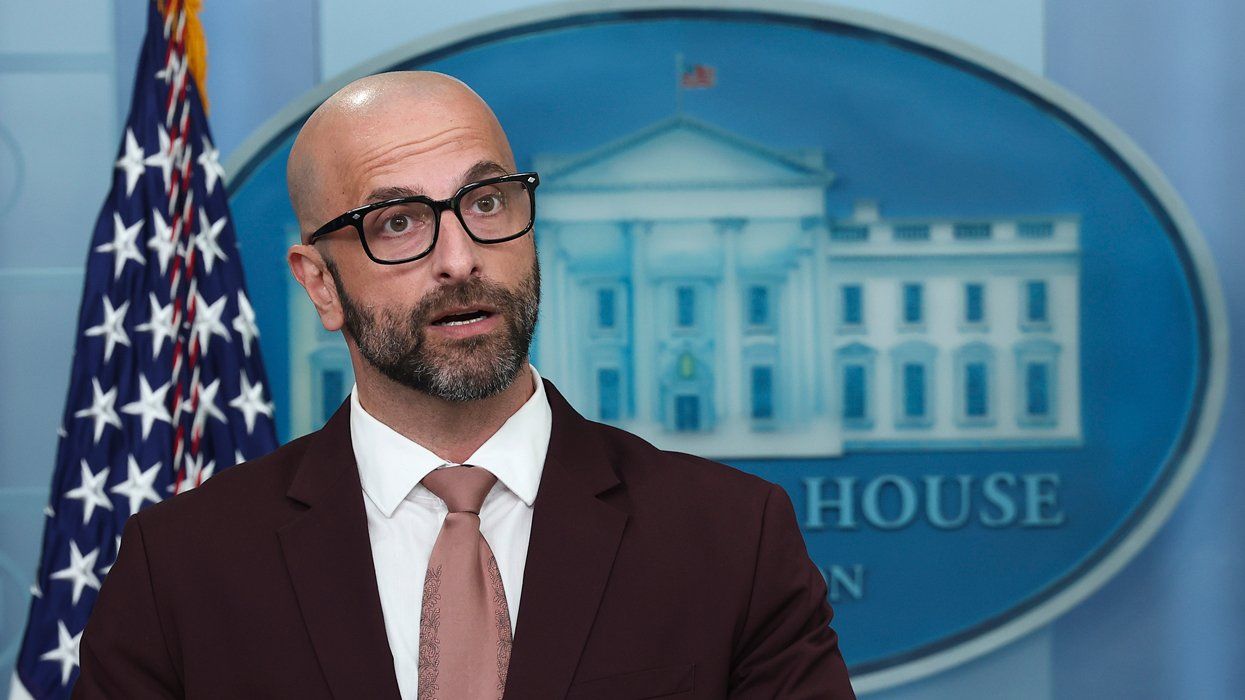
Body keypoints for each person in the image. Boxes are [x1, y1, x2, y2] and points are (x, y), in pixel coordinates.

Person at [76, 71, 854, 699]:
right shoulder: (179, 567)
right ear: (319, 286)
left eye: (487, 203)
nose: (459, 258)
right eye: (398, 222)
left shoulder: (732, 539)